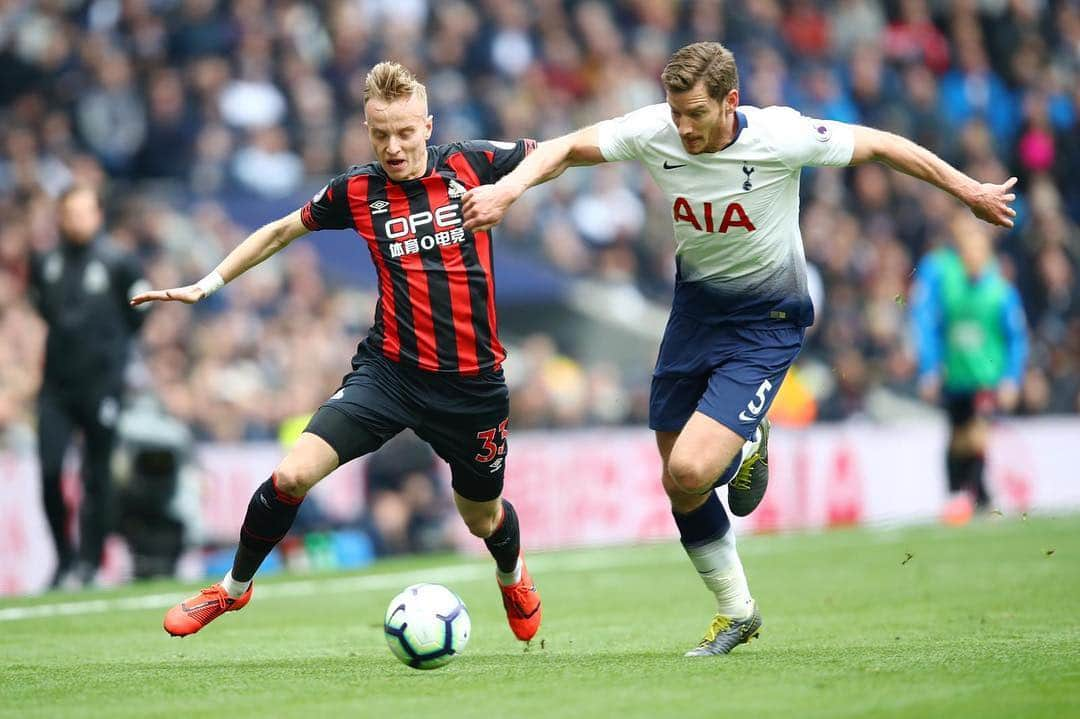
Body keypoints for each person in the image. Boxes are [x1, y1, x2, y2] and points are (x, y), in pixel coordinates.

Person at [462, 41, 1017, 656]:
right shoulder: (657, 130)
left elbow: (884, 144)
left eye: (695, 113)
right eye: (676, 113)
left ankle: (749, 437)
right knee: (680, 485)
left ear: (731, 101)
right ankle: (738, 611)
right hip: (694, 314)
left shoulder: (782, 135)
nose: (683, 127)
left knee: (693, 469)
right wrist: (509, 191)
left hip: (766, 320)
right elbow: (565, 148)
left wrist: (969, 191)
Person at [131, 62, 542, 642]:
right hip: (390, 372)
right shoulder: (358, 191)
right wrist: (208, 283)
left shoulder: (471, 163)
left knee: (481, 516)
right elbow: (279, 231)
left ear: (428, 126)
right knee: (292, 473)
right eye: (380, 135)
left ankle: (512, 572)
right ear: (366, 129)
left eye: (404, 133)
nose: (393, 148)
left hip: (472, 387)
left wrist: (511, 189)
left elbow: (561, 151)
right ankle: (232, 589)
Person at [28, 184, 150, 588]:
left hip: (101, 387)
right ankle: (63, 559)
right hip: (56, 389)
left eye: (84, 212)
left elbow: (139, 314)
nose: (76, 220)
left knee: (96, 477)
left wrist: (110, 362)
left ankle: (89, 562)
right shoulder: (45, 262)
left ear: (98, 215)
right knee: (48, 470)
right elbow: (43, 309)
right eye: (70, 212)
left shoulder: (118, 262)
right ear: (60, 216)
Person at [910, 210, 1028, 523]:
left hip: (986, 379)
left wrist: (1011, 379)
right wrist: (931, 367)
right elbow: (931, 324)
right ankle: (976, 496)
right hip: (957, 376)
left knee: (976, 436)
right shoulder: (951, 288)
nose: (972, 255)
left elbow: (1016, 338)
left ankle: (969, 497)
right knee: (958, 438)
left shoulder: (1001, 292)